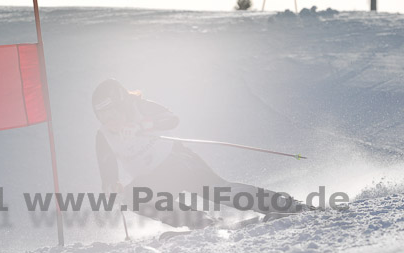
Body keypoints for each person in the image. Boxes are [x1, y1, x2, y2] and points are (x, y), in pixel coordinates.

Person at [92, 78, 310, 229]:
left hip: (179, 162)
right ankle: (200, 222)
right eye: (102, 116)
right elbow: (107, 171)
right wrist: (111, 185)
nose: (109, 120)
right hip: (153, 178)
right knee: (134, 196)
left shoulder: (141, 107)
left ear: (123, 104)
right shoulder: (104, 137)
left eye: (112, 112)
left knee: (219, 192)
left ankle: (283, 204)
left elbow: (171, 119)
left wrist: (143, 126)